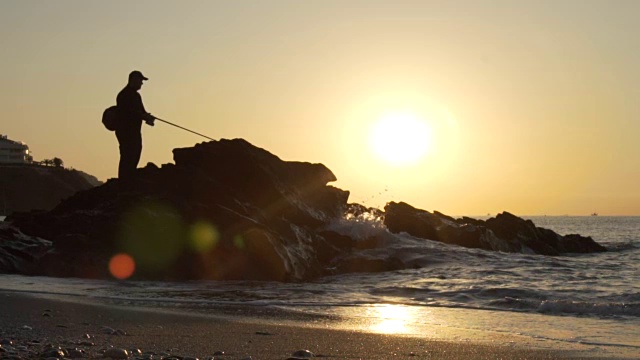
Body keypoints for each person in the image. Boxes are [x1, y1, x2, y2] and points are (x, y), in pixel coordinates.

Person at [115, 70, 156, 179]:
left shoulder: (134, 95)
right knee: (128, 155)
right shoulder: (125, 95)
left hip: (133, 131)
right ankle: (125, 182)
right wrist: (144, 117)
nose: (142, 83)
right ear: (134, 80)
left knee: (132, 154)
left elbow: (141, 112)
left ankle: (127, 179)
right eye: (140, 80)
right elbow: (130, 112)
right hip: (127, 132)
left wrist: (148, 118)